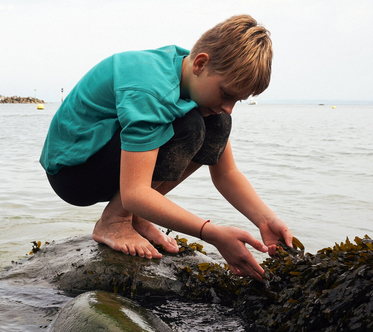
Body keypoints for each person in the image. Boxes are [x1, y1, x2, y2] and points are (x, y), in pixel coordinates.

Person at [40, 15, 293, 282]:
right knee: (191, 125)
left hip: (108, 165)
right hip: (73, 172)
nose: (229, 107)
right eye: (227, 94)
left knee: (217, 123)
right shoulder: (151, 90)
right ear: (200, 63)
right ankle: (114, 221)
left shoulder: (189, 76)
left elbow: (226, 174)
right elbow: (135, 192)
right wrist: (212, 233)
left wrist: (265, 220)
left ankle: (133, 217)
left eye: (238, 101)